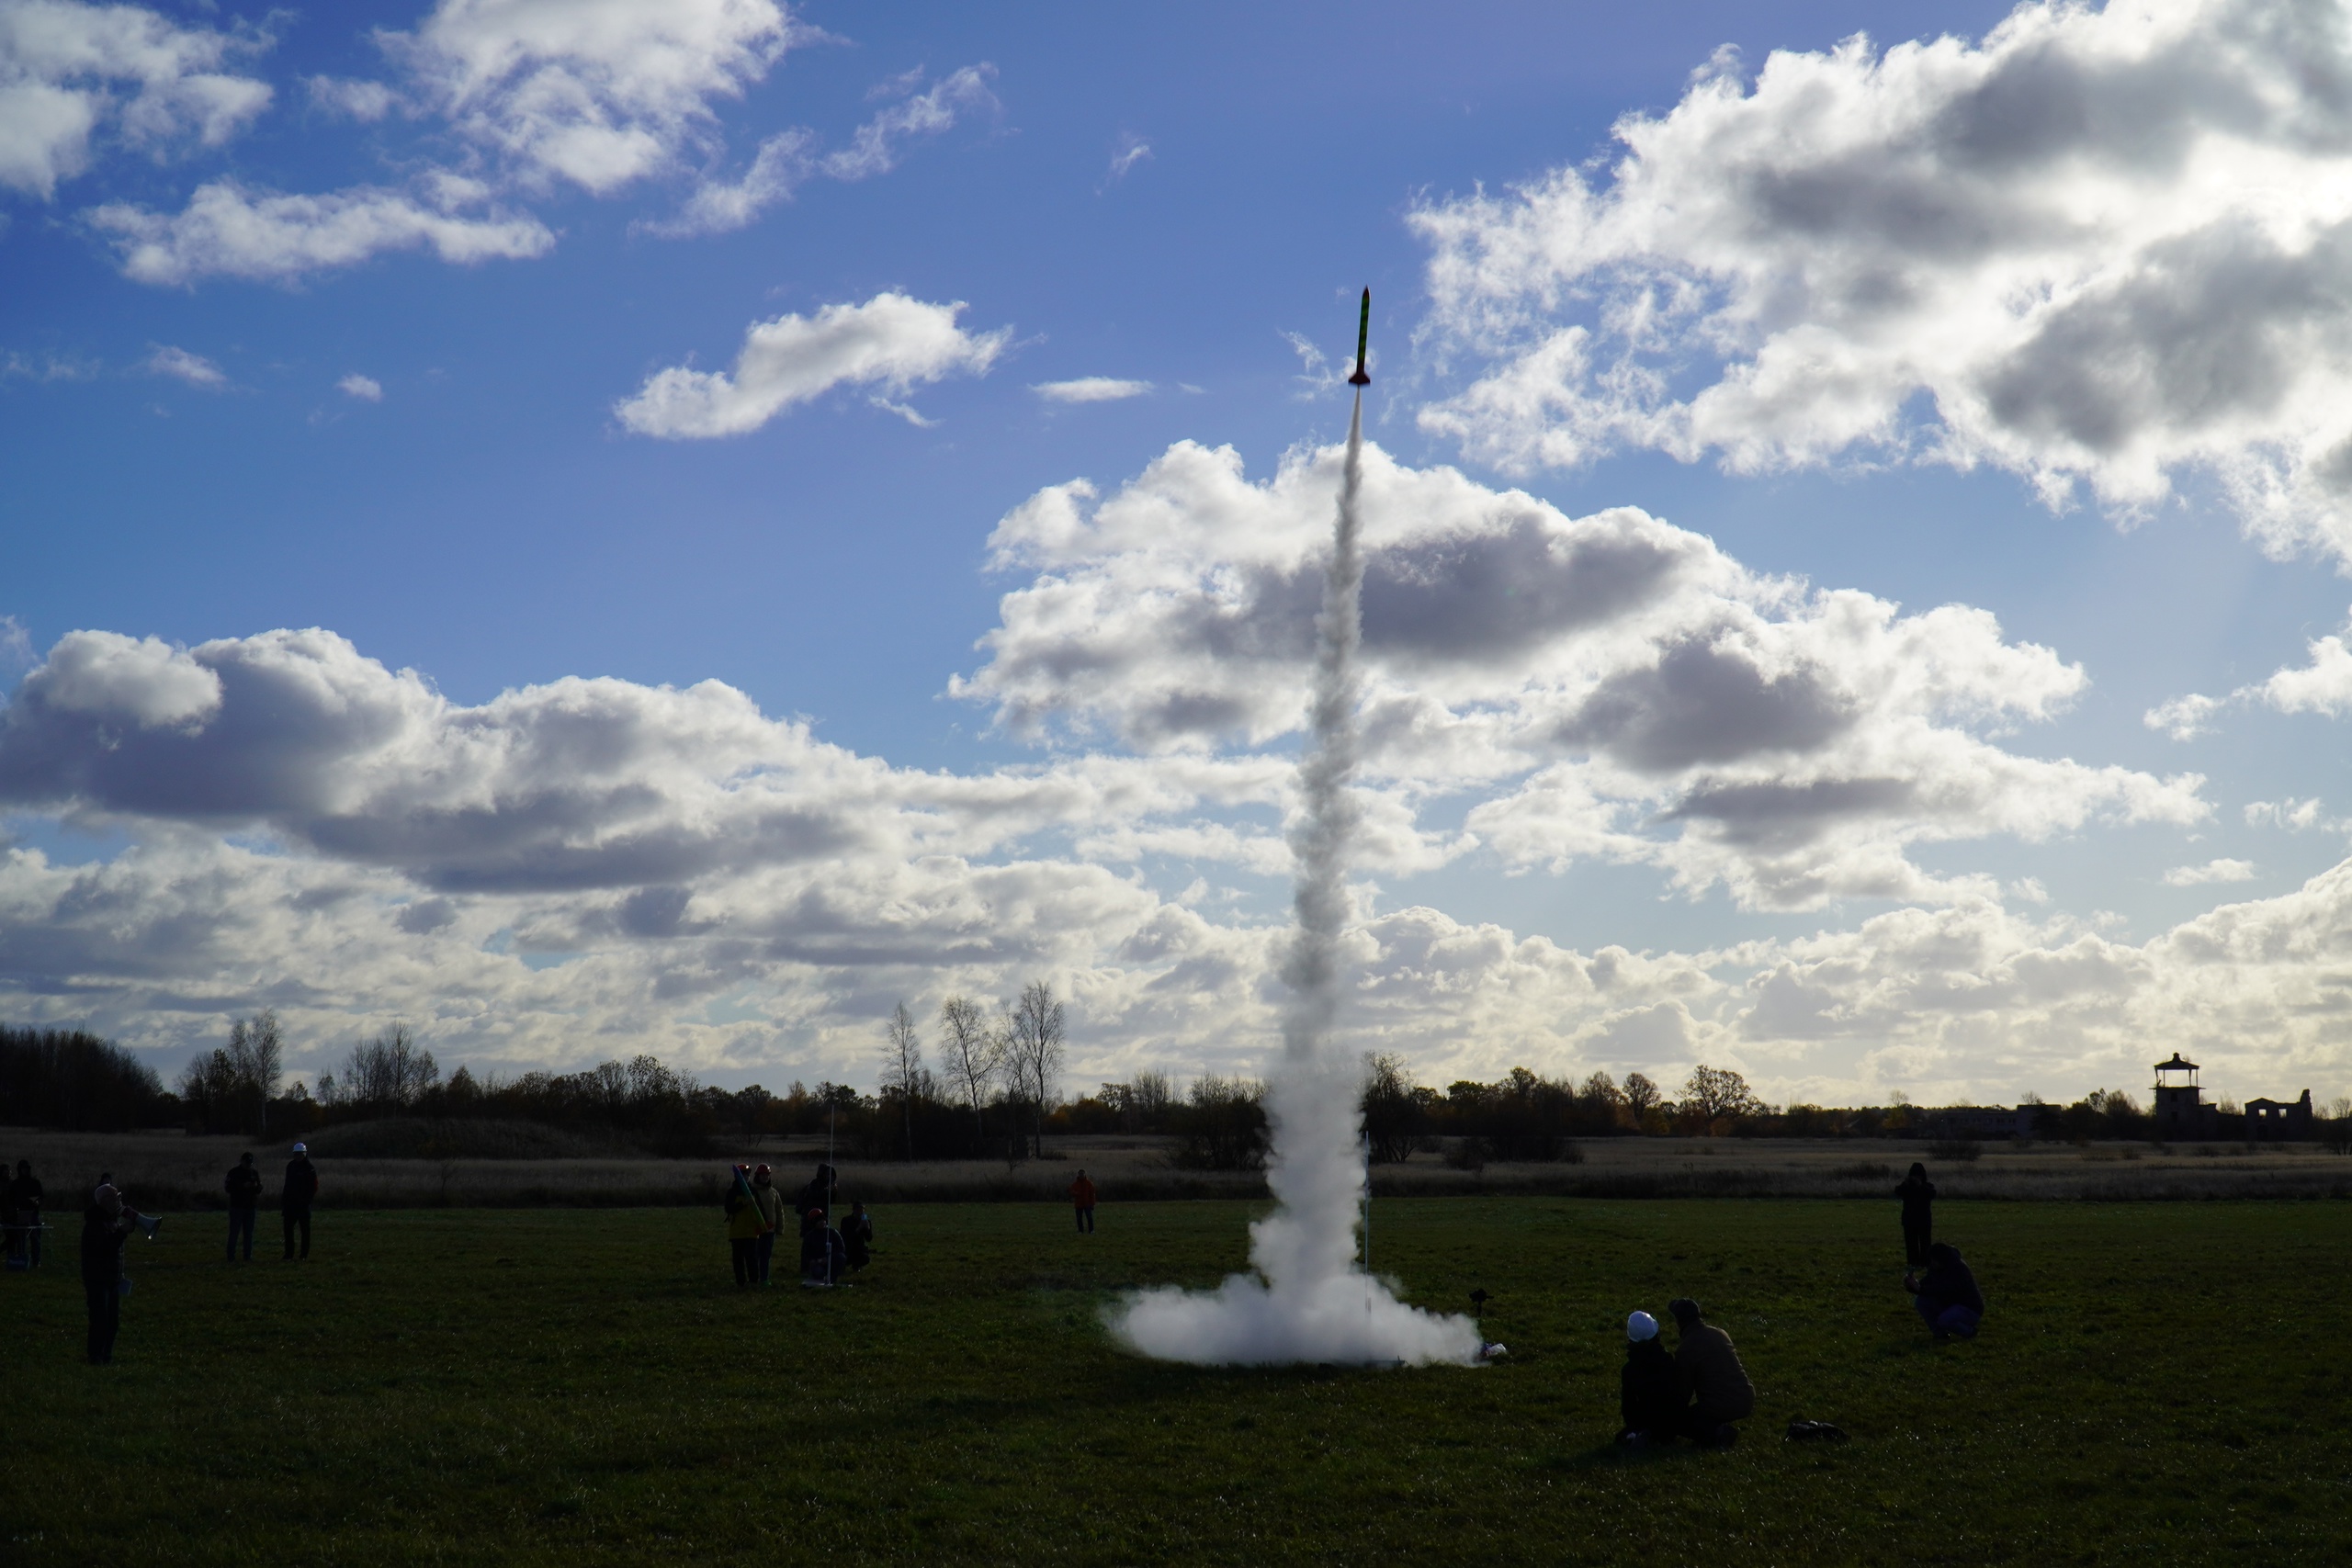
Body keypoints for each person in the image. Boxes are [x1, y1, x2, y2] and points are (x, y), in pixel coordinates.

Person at [1668, 1298, 1755, 1447]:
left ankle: (1717, 1434)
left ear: (1678, 1321)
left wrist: (1669, 1415)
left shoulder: (1686, 1348)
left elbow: (1683, 1394)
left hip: (1721, 1405)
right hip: (1746, 1397)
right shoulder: (1720, 1333)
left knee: (1677, 1423)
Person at [81, 1182, 137, 1365]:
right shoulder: (95, 1224)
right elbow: (104, 1249)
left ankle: (106, 1355)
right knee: (100, 1321)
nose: (119, 1200)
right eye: (116, 1197)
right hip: (98, 1279)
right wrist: (121, 1232)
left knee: (112, 1323)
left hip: (112, 1278)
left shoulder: (110, 1220)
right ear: (105, 1201)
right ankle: (96, 1356)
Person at [1618, 1310, 1688, 1445]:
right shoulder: (1668, 1360)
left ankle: (1640, 1434)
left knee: (1621, 1438)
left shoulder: (1629, 1370)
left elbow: (1628, 1407)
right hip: (1672, 1420)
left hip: (1646, 1420)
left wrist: (1634, 1425)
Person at [1905, 1242, 1985, 1340]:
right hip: (1950, 1305)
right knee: (1921, 1302)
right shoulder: (1936, 1268)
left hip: (1969, 1309)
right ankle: (1940, 1335)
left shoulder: (1959, 1269)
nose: (1932, 1263)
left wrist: (1920, 1289)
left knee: (1944, 1320)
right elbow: (1926, 1285)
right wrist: (1911, 1285)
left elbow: (1946, 1290)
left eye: (1934, 1261)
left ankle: (1969, 1332)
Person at [723, 1166, 763, 1287]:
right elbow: (728, 1209)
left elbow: (761, 1209)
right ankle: (741, 1282)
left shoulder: (754, 1191)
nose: (747, 1177)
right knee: (738, 1259)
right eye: (744, 1174)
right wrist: (743, 1203)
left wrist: (764, 1224)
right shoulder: (732, 1192)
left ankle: (754, 1281)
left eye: (748, 1174)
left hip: (752, 1231)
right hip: (737, 1231)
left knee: (752, 1258)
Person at [1894, 1162, 1937, 1267]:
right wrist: (1906, 1184)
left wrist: (1920, 1186)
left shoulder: (1927, 1187)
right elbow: (1897, 1191)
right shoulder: (1908, 1187)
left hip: (1921, 1220)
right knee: (1911, 1244)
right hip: (1913, 1220)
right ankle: (1913, 1262)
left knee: (1925, 1244)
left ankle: (1924, 1262)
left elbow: (1932, 1193)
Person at [281, 1143, 318, 1260]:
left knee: (305, 1231)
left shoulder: (309, 1168)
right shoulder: (290, 1166)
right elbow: (287, 1185)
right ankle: (289, 1254)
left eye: (300, 1154)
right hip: (290, 1204)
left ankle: (303, 1255)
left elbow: (314, 1187)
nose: (297, 1156)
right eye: (296, 1154)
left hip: (303, 1205)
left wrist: (307, 1200)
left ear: (304, 1154)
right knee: (288, 1230)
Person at [750, 1166, 785, 1285]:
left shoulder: (774, 1192)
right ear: (757, 1176)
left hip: (770, 1230)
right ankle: (754, 1279)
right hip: (755, 1230)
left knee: (765, 1256)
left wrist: (780, 1228)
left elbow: (779, 1211)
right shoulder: (751, 1191)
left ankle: (764, 1279)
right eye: (763, 1175)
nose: (765, 1177)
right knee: (754, 1256)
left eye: (767, 1175)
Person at [224, 1153, 262, 1263]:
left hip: (250, 1207)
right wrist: (242, 1186)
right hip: (237, 1207)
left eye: (250, 1162)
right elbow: (228, 1188)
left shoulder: (254, 1173)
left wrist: (258, 1188)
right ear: (242, 1161)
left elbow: (258, 1188)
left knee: (248, 1234)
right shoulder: (234, 1173)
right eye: (247, 1162)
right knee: (234, 1233)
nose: (248, 1164)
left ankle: (247, 1256)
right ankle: (231, 1256)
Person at [799, 1205, 847, 1285]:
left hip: (832, 1261)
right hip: (818, 1264)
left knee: (841, 1258)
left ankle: (833, 1278)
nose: (822, 1222)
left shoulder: (832, 1233)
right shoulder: (809, 1237)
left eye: (822, 1220)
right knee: (819, 1272)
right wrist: (814, 1262)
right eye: (818, 1221)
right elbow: (805, 1254)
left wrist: (829, 1258)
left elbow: (841, 1249)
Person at [7, 1159, 41, 1269]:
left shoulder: (35, 1183)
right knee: (21, 1238)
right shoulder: (16, 1184)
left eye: (27, 1169)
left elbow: (40, 1197)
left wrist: (36, 1202)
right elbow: (11, 1199)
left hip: (33, 1213)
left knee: (35, 1237)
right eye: (23, 1169)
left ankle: (36, 1261)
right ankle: (21, 1259)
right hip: (20, 1213)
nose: (25, 1171)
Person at [841, 1201, 875, 1271]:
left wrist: (867, 1229)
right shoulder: (846, 1220)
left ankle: (856, 1265)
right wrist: (858, 1228)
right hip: (848, 1248)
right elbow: (846, 1237)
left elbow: (869, 1238)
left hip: (859, 1248)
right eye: (858, 1210)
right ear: (854, 1210)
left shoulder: (866, 1221)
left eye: (862, 1210)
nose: (860, 1212)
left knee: (866, 1258)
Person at [1069, 1169, 1097, 1234]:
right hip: (1078, 1204)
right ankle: (1080, 1230)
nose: (1081, 1175)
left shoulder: (1089, 1183)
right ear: (1078, 1175)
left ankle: (1091, 1230)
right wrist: (1075, 1193)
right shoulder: (1075, 1184)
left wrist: (1093, 1204)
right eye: (1080, 1174)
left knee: (1089, 1217)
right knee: (1079, 1218)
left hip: (1087, 1203)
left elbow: (1092, 1194)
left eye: (1082, 1174)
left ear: (1085, 1174)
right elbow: (1071, 1191)